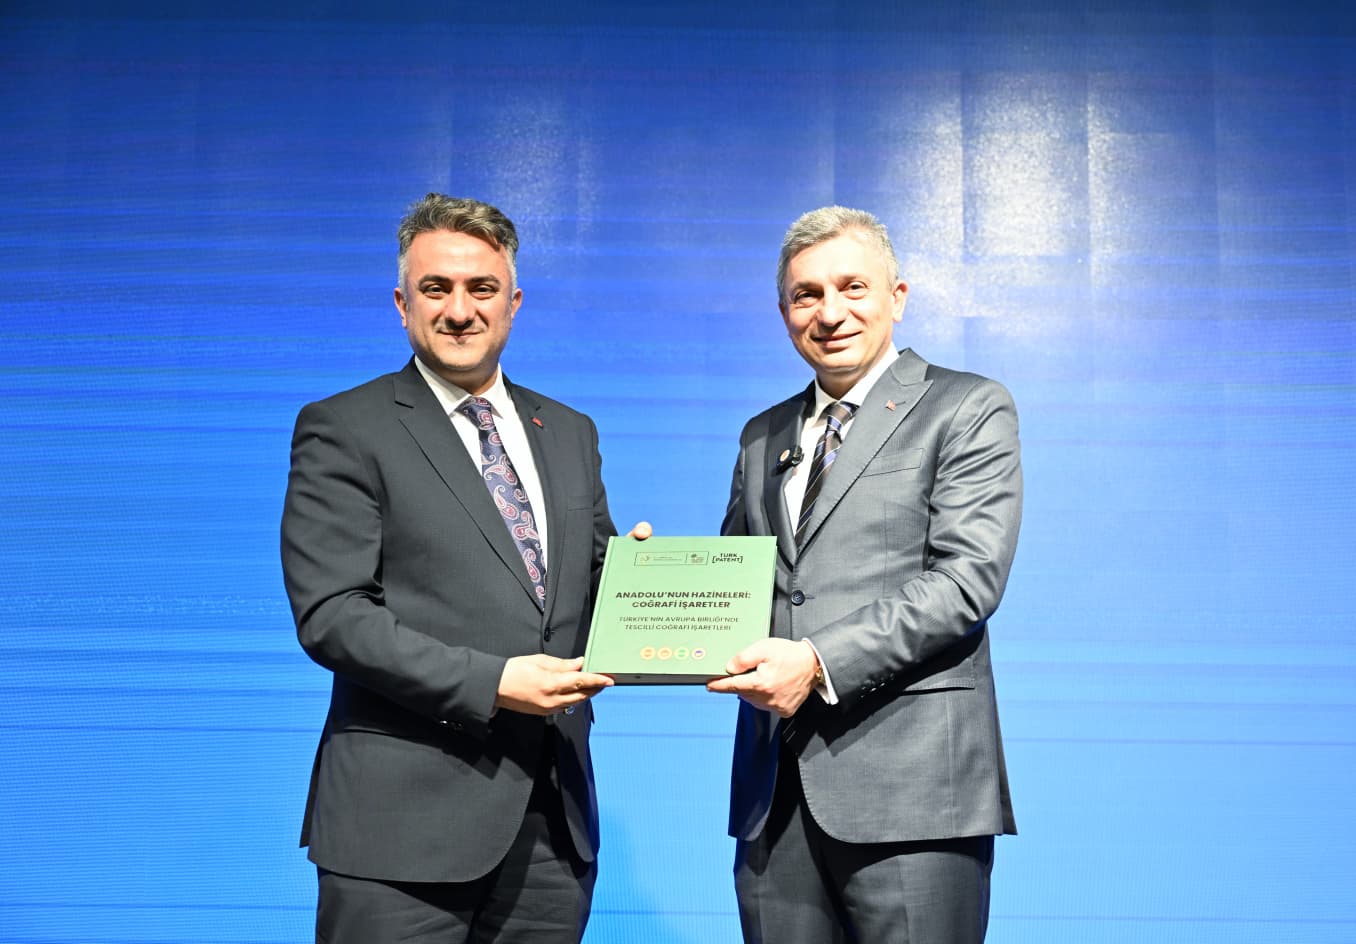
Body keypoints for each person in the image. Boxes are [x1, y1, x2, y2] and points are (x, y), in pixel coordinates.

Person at [281, 193, 642, 943]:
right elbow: (333, 616)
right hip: (399, 831)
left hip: (551, 829)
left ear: (513, 302)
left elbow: (588, 590)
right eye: (435, 288)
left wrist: (647, 585)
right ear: (402, 304)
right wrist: (493, 683)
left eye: (481, 288)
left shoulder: (569, 431)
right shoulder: (344, 427)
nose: (459, 310)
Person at [708, 206, 1022, 943]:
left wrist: (817, 661)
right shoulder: (762, 434)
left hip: (914, 793)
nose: (830, 313)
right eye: (807, 295)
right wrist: (656, 581)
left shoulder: (967, 406)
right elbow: (741, 583)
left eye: (852, 287)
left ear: (897, 296)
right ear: (784, 312)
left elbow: (967, 581)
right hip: (773, 798)